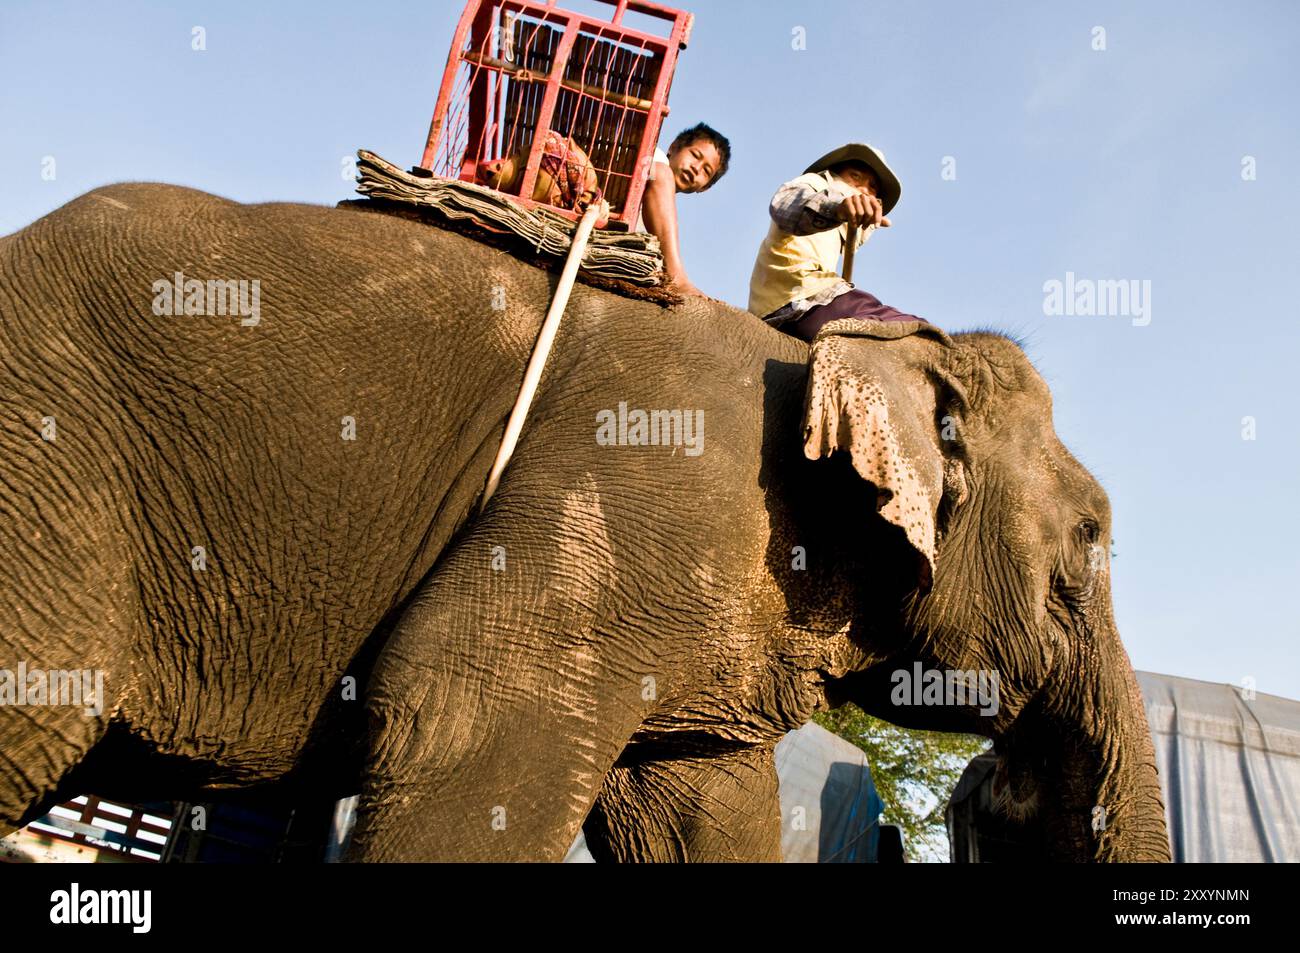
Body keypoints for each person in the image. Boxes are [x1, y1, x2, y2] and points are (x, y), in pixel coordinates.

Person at [748, 143, 927, 341]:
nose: (863, 190)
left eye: (872, 187)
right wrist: (838, 207)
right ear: (833, 175)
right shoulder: (815, 183)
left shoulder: (841, 233)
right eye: (856, 176)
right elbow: (786, 205)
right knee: (915, 330)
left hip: (817, 302)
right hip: (797, 302)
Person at [639, 122, 731, 297]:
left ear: (704, 188)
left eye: (706, 171)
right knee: (662, 173)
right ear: (674, 147)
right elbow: (654, 171)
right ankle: (677, 277)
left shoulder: (667, 213)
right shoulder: (655, 158)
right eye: (695, 155)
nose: (696, 168)